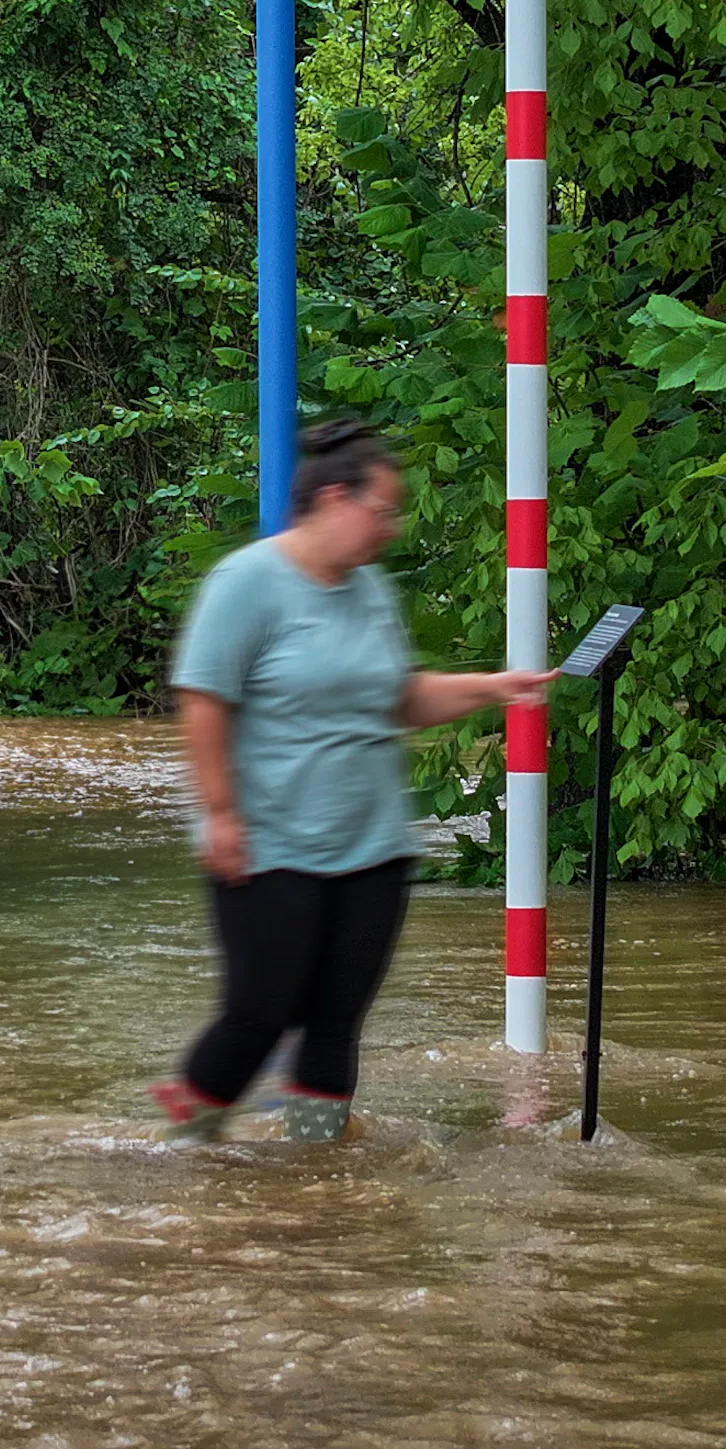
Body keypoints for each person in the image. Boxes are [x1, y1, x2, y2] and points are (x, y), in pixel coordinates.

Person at [158, 420, 548, 1143]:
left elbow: (396, 699)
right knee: (257, 1013)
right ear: (337, 499)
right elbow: (202, 698)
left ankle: (316, 1169)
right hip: (271, 843)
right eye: (385, 511)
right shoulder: (247, 582)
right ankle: (183, 1153)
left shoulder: (370, 592)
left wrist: (497, 688)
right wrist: (220, 814)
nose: (392, 530)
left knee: (338, 1022)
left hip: (372, 847)